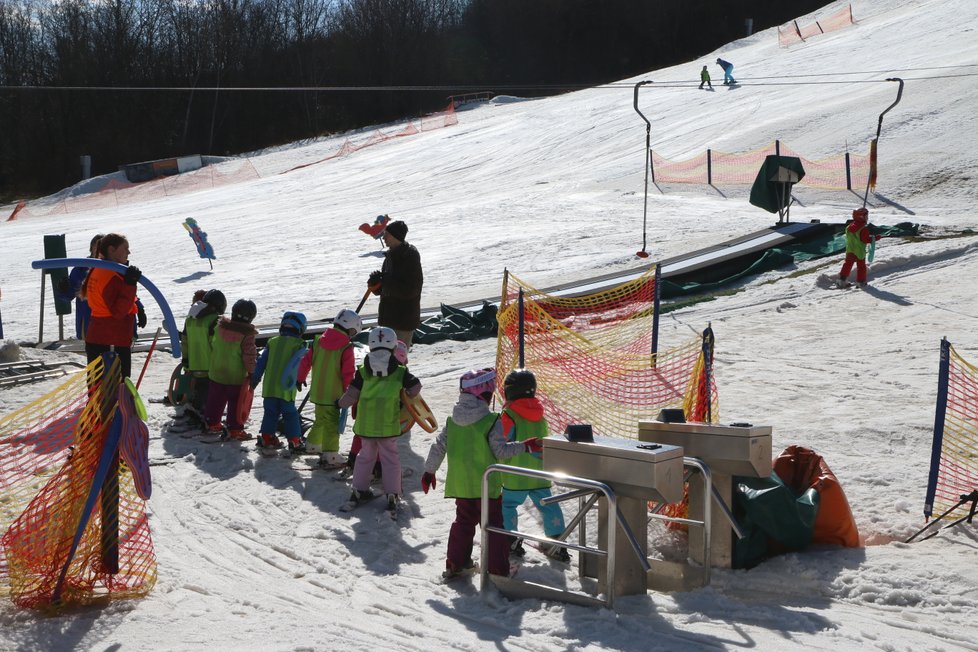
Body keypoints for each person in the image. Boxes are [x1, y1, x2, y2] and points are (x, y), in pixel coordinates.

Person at [422, 368, 541, 579]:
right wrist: (526, 446)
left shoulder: (452, 422)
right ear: (484, 395)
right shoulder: (491, 421)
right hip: (488, 488)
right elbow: (501, 451)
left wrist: (429, 471)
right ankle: (498, 569)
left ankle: (456, 563)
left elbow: (438, 447)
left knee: (463, 524)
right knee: (494, 529)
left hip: (462, 486)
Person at [337, 326, 422, 515]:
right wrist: (406, 394)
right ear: (393, 347)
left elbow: (351, 394)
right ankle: (392, 494)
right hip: (388, 425)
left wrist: (339, 404)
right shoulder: (399, 371)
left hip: (366, 425)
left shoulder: (363, 370)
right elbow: (416, 387)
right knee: (390, 459)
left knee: (365, 457)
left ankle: (359, 490)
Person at [499, 368, 570, 562]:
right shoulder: (540, 414)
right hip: (539, 472)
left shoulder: (509, 415)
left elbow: (501, 441)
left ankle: (510, 538)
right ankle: (556, 540)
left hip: (516, 472)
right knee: (548, 505)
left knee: (508, 505)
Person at [297, 308, 362, 466]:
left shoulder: (318, 341)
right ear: (351, 329)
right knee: (332, 424)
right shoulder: (346, 347)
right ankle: (330, 454)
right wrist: (350, 394)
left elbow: (306, 361)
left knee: (320, 420)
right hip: (334, 396)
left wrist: (300, 378)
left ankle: (312, 445)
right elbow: (348, 373)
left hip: (318, 392)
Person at [80, 233, 140, 379]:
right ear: (112, 250)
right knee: (116, 390)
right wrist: (130, 284)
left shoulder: (99, 269)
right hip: (112, 339)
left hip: (99, 335)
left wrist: (138, 306)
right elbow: (119, 312)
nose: (128, 252)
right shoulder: (109, 274)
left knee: (97, 388)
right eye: (125, 248)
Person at [252, 311, 309, 453]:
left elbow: (260, 364)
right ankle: (295, 441)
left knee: (270, 413)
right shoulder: (300, 345)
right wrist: (300, 379)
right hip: (286, 388)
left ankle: (266, 437)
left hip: (269, 388)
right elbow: (301, 364)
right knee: (290, 414)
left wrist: (254, 380)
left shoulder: (272, 342)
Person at [203, 299, 258, 441]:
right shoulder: (246, 335)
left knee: (215, 399)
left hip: (216, 371)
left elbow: (212, 344)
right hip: (235, 376)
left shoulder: (220, 327)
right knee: (236, 402)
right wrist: (252, 371)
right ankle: (234, 428)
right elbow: (249, 355)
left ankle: (212, 422)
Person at [367, 220, 423, 349]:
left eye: (387, 234)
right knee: (384, 361)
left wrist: (385, 279)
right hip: (388, 319)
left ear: (396, 236)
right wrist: (375, 284)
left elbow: (410, 290)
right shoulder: (391, 256)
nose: (384, 237)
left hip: (402, 321)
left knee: (396, 362)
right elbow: (387, 288)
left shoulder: (409, 256)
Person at [180, 289, 226, 423]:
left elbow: (185, 342)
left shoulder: (190, 319)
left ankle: (197, 410)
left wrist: (186, 361)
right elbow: (217, 345)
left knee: (200, 389)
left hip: (194, 365)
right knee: (211, 393)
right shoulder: (215, 321)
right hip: (210, 366)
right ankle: (208, 417)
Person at [838, 208, 881, 288]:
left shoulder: (849, 227)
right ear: (861, 217)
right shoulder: (863, 229)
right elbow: (865, 240)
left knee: (847, 264)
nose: (867, 218)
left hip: (850, 250)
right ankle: (860, 282)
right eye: (866, 216)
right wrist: (875, 238)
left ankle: (842, 280)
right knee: (861, 267)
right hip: (859, 251)